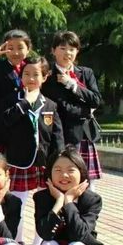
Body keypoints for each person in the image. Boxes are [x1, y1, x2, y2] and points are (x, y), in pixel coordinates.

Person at [2, 56, 64, 245]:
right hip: (19, 161)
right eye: (26, 74)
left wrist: (58, 159)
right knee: (17, 203)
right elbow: (6, 121)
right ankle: (17, 240)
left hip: (44, 162)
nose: (30, 78)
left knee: (44, 202)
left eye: (35, 74)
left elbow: (57, 135)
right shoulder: (13, 100)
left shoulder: (50, 105)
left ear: (44, 77)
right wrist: (25, 103)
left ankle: (39, 242)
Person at [41, 31, 103, 191]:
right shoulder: (47, 76)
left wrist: (73, 85)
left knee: (87, 184)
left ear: (77, 51)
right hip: (57, 136)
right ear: (53, 50)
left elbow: (96, 100)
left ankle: (87, 208)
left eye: (71, 49)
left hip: (82, 136)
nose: (67, 53)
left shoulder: (85, 73)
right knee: (56, 184)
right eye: (62, 48)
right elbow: (59, 106)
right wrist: (87, 111)